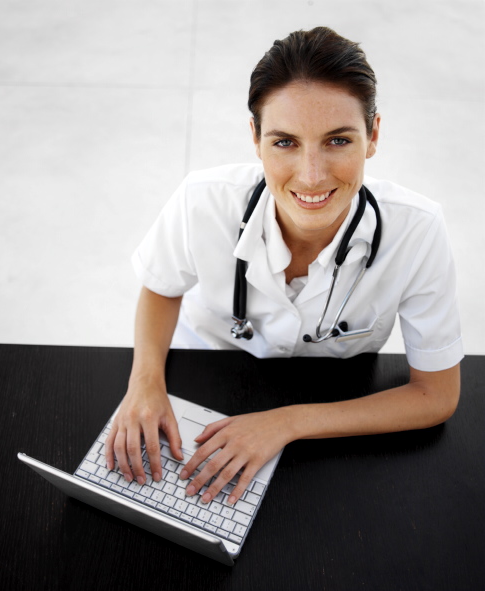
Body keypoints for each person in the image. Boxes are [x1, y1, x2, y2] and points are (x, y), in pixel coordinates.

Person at [105, 27, 463, 507]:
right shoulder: (202, 202)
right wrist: (145, 383)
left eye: (337, 140)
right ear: (255, 138)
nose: (311, 175)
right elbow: (160, 287)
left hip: (334, 409)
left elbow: (436, 396)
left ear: (373, 135)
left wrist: (287, 422)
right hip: (202, 384)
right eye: (285, 142)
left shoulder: (418, 231)